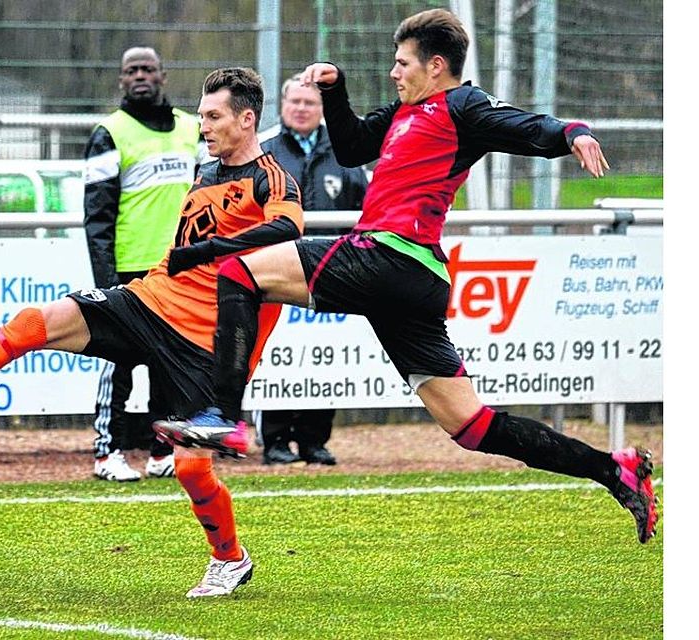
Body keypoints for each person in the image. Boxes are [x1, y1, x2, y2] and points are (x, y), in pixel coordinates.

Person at [154, 8, 658, 544]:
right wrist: (335, 89)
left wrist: (573, 132)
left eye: (402, 63)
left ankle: (224, 416)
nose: (395, 72)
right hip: (406, 280)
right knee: (472, 426)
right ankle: (617, 469)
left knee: (238, 270)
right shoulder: (404, 111)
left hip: (389, 254)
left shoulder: (463, 105)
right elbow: (350, 148)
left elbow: (524, 125)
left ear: (435, 65)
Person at [0, 67, 304, 596]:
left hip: (206, 342)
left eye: (214, 117)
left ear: (247, 119)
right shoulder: (206, 172)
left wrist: (211, 255)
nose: (204, 125)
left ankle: (230, 558)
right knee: (41, 321)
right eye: (201, 116)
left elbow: (289, 229)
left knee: (191, 469)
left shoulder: (273, 176)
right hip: (152, 301)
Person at [83, 46, 202, 482]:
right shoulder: (109, 132)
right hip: (129, 269)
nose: (139, 76)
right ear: (120, 80)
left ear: (162, 76)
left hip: (180, 268)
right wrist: (105, 282)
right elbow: (96, 215)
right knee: (118, 365)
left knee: (171, 365)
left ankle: (160, 451)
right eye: (131, 69)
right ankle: (107, 453)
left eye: (147, 69)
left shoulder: (193, 128)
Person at [257, 73, 369, 466]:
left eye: (310, 103)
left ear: (321, 109)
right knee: (278, 353)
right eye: (295, 102)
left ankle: (314, 440)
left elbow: (364, 210)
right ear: (283, 105)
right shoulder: (265, 152)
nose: (302, 109)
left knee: (326, 354)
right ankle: (273, 439)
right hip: (277, 269)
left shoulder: (345, 153)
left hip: (332, 269)